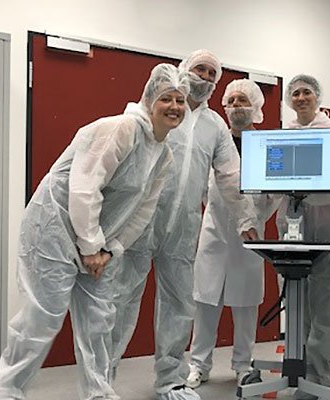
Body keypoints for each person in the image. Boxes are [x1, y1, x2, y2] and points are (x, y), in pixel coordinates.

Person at [0, 63, 190, 400]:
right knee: (44, 316)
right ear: (149, 99)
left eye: (180, 100)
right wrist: (91, 245)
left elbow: (142, 211)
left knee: (99, 321)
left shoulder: (163, 154)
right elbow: (84, 188)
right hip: (56, 229)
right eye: (166, 98)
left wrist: (111, 250)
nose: (174, 107)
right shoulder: (121, 129)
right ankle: (6, 392)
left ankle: (99, 393)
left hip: (97, 242)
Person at [109, 50, 260, 400]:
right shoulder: (158, 108)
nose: (205, 77)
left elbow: (229, 176)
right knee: (120, 303)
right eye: (199, 69)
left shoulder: (215, 126)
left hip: (182, 228)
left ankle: (170, 382)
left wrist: (246, 217)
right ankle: (101, 382)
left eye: (212, 73)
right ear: (182, 70)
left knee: (178, 306)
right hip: (139, 222)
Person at [187, 79, 278, 388]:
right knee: (206, 300)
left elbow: (274, 194)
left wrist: (254, 217)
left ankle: (242, 364)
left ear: (256, 107)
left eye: (243, 100)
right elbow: (202, 184)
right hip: (214, 230)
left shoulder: (265, 147)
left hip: (252, 235)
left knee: (245, 303)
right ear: (223, 105)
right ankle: (199, 364)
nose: (237, 106)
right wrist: (217, 211)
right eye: (232, 100)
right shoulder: (214, 140)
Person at [278, 74, 330, 399]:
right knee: (299, 310)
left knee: (325, 309)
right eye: (295, 93)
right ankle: (308, 379)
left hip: (327, 229)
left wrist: (304, 195)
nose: (300, 98)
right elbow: (273, 188)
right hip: (292, 230)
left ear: (317, 96)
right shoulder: (283, 135)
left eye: (306, 92)